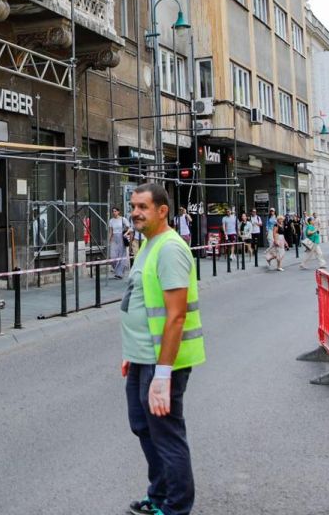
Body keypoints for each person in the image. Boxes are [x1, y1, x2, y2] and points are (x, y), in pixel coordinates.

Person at [121, 183, 204, 515]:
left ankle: (176, 507)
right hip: (143, 357)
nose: (136, 212)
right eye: (133, 206)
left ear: (162, 210)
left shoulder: (169, 248)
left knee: (166, 435)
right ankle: (158, 495)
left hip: (163, 362)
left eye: (142, 206)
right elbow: (142, 302)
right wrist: (132, 351)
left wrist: (162, 374)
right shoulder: (149, 244)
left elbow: (175, 315)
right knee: (143, 427)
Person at [109, 207, 132, 278]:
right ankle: (117, 270)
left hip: (121, 237)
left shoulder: (123, 219)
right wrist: (109, 240)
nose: (114, 213)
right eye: (113, 211)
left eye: (115, 211)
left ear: (118, 212)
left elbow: (129, 228)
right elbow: (111, 231)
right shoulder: (111, 221)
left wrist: (126, 234)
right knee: (113, 256)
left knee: (122, 255)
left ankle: (119, 273)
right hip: (114, 238)